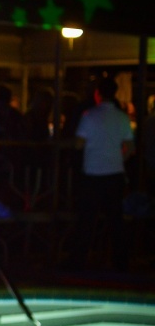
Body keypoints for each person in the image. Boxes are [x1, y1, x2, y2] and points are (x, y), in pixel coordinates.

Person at [65, 75, 134, 271]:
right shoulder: (122, 117)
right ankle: (120, 261)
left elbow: (79, 144)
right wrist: (119, 158)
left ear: (98, 93)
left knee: (87, 219)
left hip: (93, 173)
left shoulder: (89, 115)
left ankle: (78, 260)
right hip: (115, 173)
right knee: (116, 219)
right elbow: (130, 147)